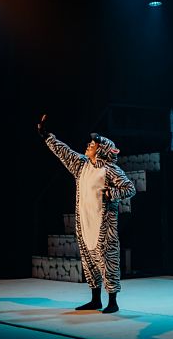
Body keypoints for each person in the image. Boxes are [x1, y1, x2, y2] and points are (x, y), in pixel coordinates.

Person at [37, 114, 135, 313]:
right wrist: (47, 136)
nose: (89, 145)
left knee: (108, 261)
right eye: (90, 143)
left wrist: (112, 193)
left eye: (93, 144)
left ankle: (113, 301)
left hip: (103, 226)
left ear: (102, 150)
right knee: (89, 262)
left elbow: (129, 188)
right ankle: (95, 299)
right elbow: (64, 152)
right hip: (85, 222)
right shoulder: (82, 165)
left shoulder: (110, 170)